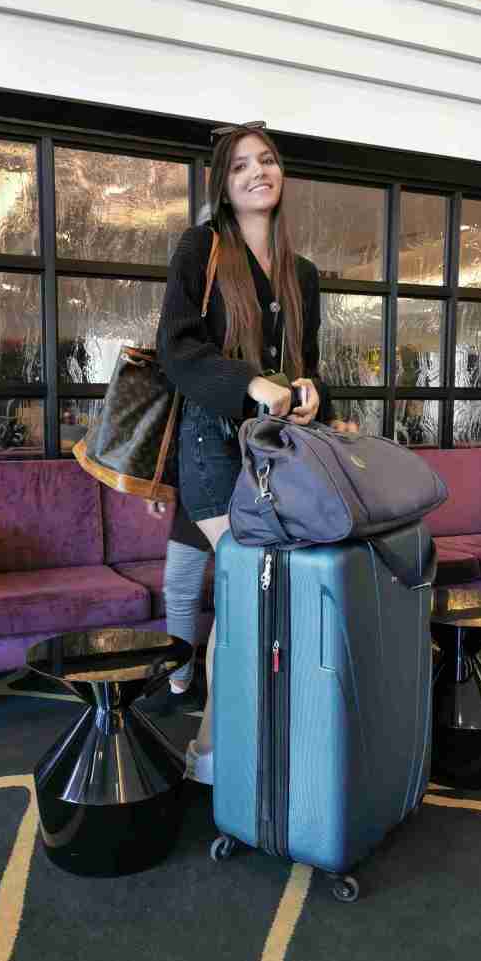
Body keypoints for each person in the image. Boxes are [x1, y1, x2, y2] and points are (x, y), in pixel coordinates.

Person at [156, 121, 326, 784]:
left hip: (274, 451)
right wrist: (249, 382)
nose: (258, 172)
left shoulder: (301, 273)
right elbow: (177, 349)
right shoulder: (201, 247)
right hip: (211, 444)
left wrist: (310, 391)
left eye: (267, 160)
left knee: (257, 593)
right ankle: (211, 751)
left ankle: (242, 741)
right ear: (223, 185)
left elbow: (306, 363)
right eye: (241, 165)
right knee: (248, 593)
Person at [146, 498, 212, 697]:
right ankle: (179, 686)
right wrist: (158, 487)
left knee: (236, 591)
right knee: (179, 590)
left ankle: (229, 691)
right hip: (196, 493)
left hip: (245, 493)